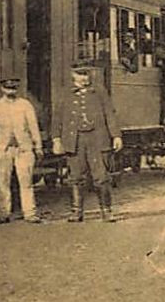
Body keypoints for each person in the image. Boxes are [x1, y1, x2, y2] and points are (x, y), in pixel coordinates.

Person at [52, 62, 122, 222]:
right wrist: (56, 139)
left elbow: (109, 114)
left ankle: (106, 211)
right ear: (73, 75)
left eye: (86, 74)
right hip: (74, 140)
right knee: (76, 176)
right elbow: (57, 118)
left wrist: (116, 136)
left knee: (101, 176)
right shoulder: (65, 93)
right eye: (80, 74)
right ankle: (77, 212)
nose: (84, 77)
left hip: (97, 139)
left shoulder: (100, 92)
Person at [0, 77, 43, 224]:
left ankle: (30, 213)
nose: (11, 91)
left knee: (26, 182)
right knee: (3, 183)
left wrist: (38, 146)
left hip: (23, 149)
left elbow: (33, 127)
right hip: (3, 149)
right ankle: (3, 214)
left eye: (13, 88)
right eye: (8, 88)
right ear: (2, 89)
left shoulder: (25, 105)